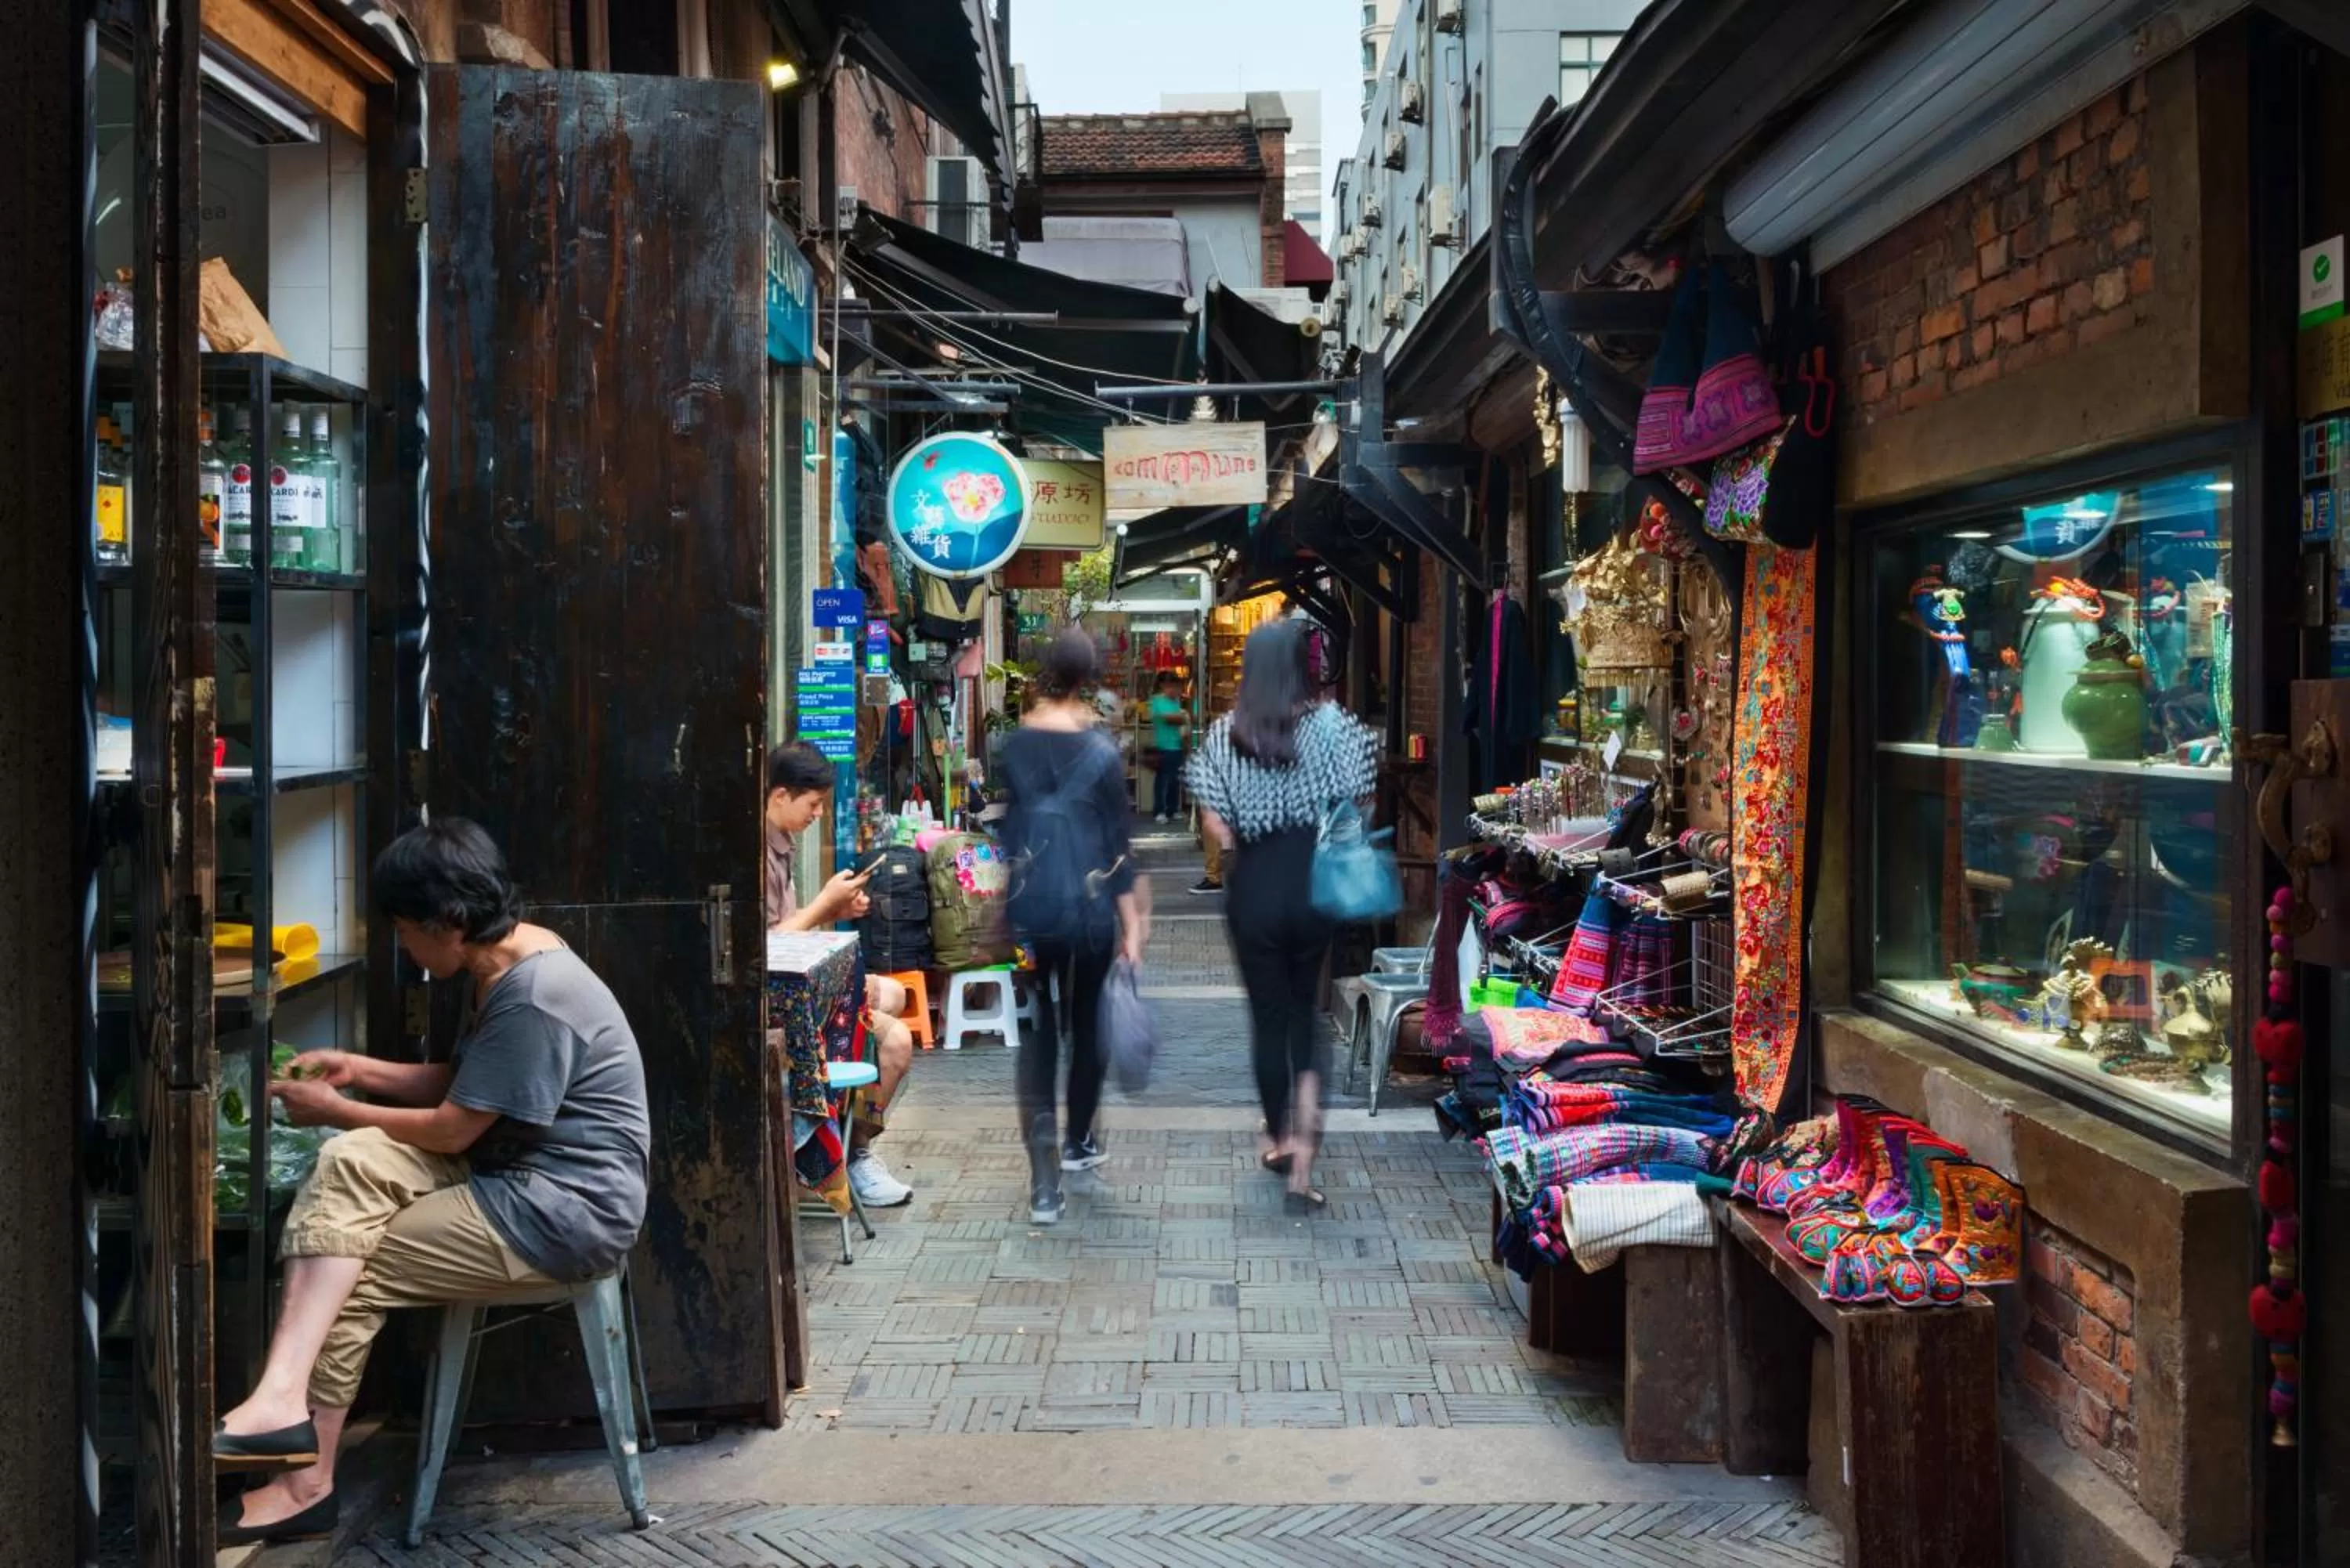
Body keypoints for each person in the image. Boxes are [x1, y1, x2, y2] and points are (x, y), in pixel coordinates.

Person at [213, 819, 649, 1545]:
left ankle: (305, 1483)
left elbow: (453, 1129)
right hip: (508, 1166)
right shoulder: (509, 958)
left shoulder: (536, 993)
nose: (404, 947)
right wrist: (360, 1070)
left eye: (405, 931)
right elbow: (473, 1084)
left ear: (447, 923)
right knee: (349, 1163)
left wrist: (338, 1107)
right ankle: (279, 1401)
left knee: (347, 1268)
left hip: (560, 1208)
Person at [1185, 619, 1379, 1212]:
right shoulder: (1333, 727)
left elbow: (1214, 822)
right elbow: (1361, 800)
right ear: (1303, 668)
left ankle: (1277, 1138)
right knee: (1305, 1018)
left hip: (1254, 891)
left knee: (1267, 1021)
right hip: (1311, 886)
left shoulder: (1226, 733)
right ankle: (1303, 1169)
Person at [996, 628, 1148, 1224]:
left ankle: (1044, 1185)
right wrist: (1132, 926)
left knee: (1038, 1035)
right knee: (1087, 1028)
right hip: (1089, 914)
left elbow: (1009, 833)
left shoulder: (1015, 746)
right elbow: (1118, 846)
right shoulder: (1102, 752)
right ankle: (1080, 1139)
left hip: (1031, 915)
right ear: (1088, 678)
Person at [766, 741, 916, 1209]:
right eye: (813, 805)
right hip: (780, 999)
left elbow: (792, 930)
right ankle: (853, 1152)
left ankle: (848, 1128)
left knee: (893, 995)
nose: (818, 816)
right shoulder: (759, 855)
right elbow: (767, 948)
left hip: (798, 983)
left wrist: (835, 910)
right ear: (780, 796)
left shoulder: (782, 846)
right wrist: (824, 906)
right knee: (896, 1041)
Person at [1145, 670, 1191, 824]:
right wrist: (1184, 717)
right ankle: (1159, 811)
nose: (1174, 690)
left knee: (1175, 780)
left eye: (1176, 686)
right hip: (1163, 746)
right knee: (1162, 780)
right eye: (1170, 686)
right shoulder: (1157, 701)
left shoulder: (1176, 701)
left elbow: (1180, 720)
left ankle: (1173, 810)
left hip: (1177, 745)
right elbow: (1171, 719)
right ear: (1162, 686)